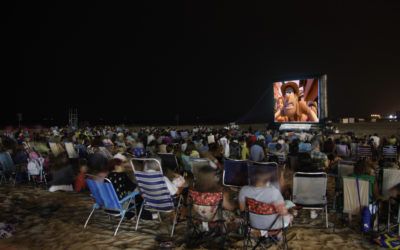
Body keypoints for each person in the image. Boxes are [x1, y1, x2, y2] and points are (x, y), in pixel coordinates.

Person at [238, 166, 292, 231]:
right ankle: (274, 235)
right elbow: (283, 212)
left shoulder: (244, 190)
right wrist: (289, 215)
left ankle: (263, 234)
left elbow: (242, 209)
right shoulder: (274, 192)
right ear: (267, 179)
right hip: (272, 226)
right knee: (289, 217)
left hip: (254, 224)